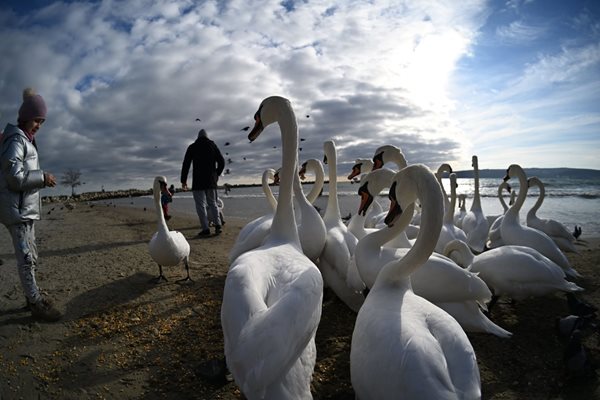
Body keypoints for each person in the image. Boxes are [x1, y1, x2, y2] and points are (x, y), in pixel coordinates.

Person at [0, 88, 62, 322]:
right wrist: (42, 178)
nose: (39, 126)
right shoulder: (16, 140)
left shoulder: (24, 140)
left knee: (31, 255)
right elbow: (14, 178)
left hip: (24, 209)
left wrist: (41, 178)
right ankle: (35, 303)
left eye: (42, 122)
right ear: (25, 117)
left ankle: (31, 295)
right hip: (17, 210)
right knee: (26, 258)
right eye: (37, 120)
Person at [181, 128, 225, 236]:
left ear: (198, 137)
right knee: (213, 203)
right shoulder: (212, 145)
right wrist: (216, 174)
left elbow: (186, 164)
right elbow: (222, 162)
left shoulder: (192, 147)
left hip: (198, 182)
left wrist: (183, 180)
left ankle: (205, 229)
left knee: (200, 206)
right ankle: (218, 225)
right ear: (207, 136)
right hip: (211, 181)